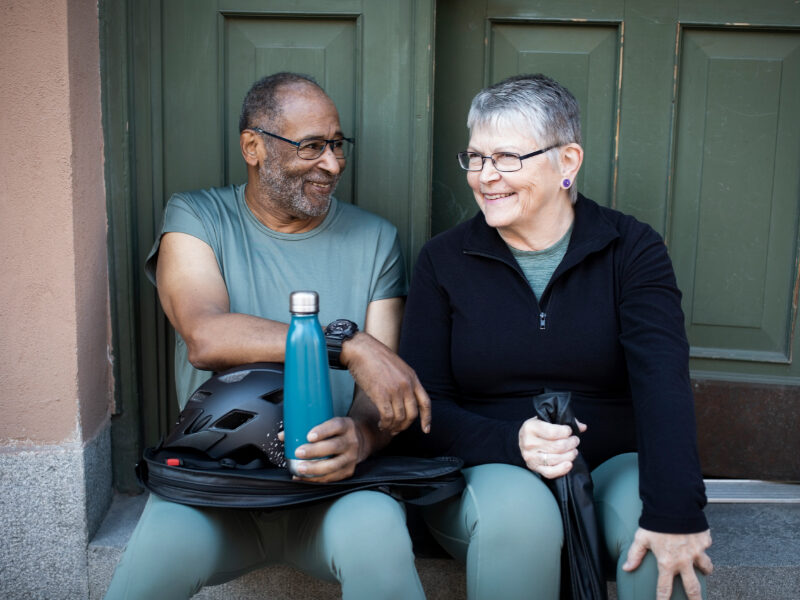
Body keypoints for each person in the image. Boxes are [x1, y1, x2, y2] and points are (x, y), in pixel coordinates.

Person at [104, 72, 431, 600]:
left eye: (337, 145)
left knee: (381, 538)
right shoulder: (197, 217)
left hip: (336, 493)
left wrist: (363, 438)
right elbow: (205, 335)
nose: (333, 164)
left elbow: (380, 396)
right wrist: (346, 343)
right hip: (212, 489)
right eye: (312, 147)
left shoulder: (377, 240)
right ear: (253, 147)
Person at [391, 74, 713, 600]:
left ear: (568, 161)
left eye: (508, 158)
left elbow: (663, 382)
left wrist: (677, 512)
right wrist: (512, 442)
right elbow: (424, 413)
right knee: (523, 521)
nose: (485, 177)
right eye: (475, 157)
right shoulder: (443, 261)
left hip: (612, 462)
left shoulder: (631, 249)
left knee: (658, 535)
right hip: (487, 469)